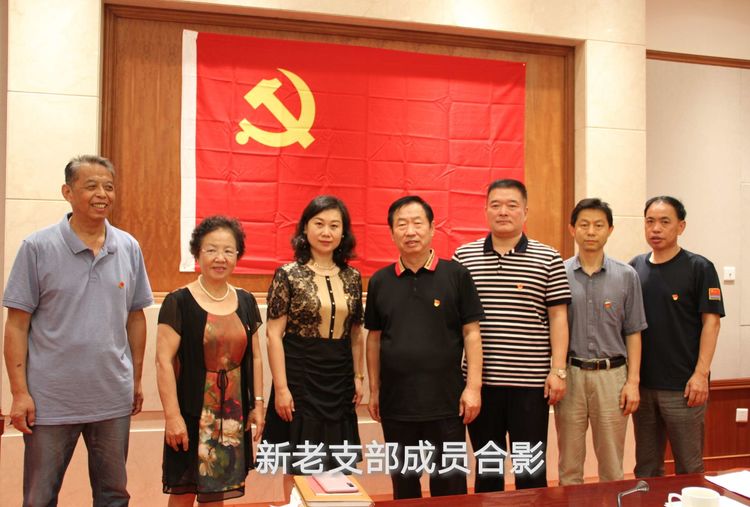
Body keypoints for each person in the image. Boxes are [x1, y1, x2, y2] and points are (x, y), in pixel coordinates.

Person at [3, 155, 153, 506]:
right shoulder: (37, 247)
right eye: (91, 186)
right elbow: (17, 324)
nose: (102, 194)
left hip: (111, 397)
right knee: (39, 497)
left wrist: (135, 379)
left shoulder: (128, 247)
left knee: (113, 495)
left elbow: (135, 317)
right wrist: (19, 393)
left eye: (109, 186)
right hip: (50, 401)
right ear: (67, 192)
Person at [453, 178, 570, 491]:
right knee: (487, 472)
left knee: (530, 472)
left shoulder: (548, 258)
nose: (503, 211)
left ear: (525, 212)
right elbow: (456, 324)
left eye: (511, 205)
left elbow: (558, 317)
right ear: (486, 210)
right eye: (496, 205)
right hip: (481, 385)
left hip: (530, 385)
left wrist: (558, 370)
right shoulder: (464, 258)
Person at [365, 195, 484, 500]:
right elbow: (374, 338)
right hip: (397, 404)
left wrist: (473, 388)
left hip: (446, 402)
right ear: (392, 232)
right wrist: (374, 390)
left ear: (432, 228)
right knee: (405, 486)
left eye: (418, 223)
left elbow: (471, 333)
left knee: (450, 486)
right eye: (402, 224)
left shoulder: (456, 275)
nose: (410, 231)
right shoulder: (380, 281)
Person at [156, 216, 264, 505]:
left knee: (218, 488)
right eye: (211, 250)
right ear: (197, 253)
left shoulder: (246, 301)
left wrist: (258, 405)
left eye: (228, 251)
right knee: (184, 490)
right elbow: (163, 362)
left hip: (232, 412)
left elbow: (255, 356)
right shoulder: (178, 301)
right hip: (191, 411)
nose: (220, 258)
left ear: (237, 255)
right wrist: (172, 416)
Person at [262, 195, 365, 474]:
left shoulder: (353, 277)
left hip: (340, 377)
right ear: (305, 228)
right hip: (300, 376)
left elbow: (356, 333)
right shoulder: (288, 274)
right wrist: (281, 388)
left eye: (334, 225)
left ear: (343, 232)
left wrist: (358, 377)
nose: (326, 232)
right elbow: (273, 335)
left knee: (339, 466)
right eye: (319, 224)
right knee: (299, 465)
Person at [554, 198, 647, 485]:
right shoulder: (558, 274)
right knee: (569, 466)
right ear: (572, 229)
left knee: (611, 465)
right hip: (571, 375)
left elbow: (633, 332)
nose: (591, 231)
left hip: (612, 377)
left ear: (610, 230)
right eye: (584, 225)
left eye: (598, 225)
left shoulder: (627, 275)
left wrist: (632, 382)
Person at [630, 196, 724, 477]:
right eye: (650, 221)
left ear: (681, 226)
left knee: (689, 466)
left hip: (684, 387)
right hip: (643, 387)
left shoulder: (699, 267)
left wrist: (701, 374)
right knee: (646, 467)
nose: (655, 228)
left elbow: (711, 323)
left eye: (664, 222)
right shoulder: (634, 268)